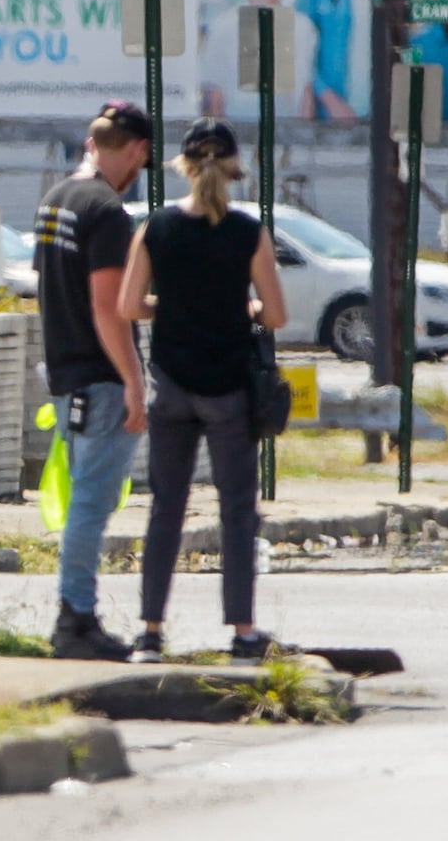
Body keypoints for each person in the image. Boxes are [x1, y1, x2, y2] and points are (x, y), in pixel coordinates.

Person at [117, 118, 290, 666]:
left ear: (184, 166)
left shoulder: (156, 228)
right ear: (235, 168)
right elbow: (277, 314)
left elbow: (128, 306)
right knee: (238, 510)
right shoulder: (248, 233)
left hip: (170, 385)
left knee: (166, 506)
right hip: (230, 391)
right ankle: (242, 632)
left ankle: (149, 631)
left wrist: (171, 305)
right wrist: (240, 307)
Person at [32, 101, 150, 661]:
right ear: (137, 150)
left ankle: (75, 614)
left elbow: (63, 291)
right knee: (91, 506)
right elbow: (107, 308)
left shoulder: (55, 200)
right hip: (100, 378)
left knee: (83, 499)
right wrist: (133, 379)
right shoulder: (107, 210)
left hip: (65, 371)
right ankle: (75, 619)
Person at [199, 0, 316, 121]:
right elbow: (215, 94)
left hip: (285, 132)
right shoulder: (224, 26)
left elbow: (305, 95)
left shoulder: (302, 27)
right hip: (237, 132)